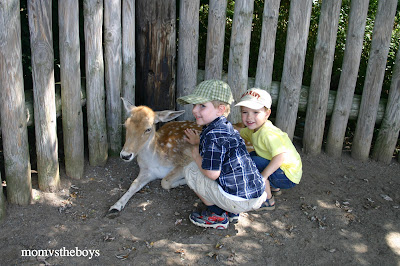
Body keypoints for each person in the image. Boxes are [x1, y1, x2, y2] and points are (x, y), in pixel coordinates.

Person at [177, 79, 267, 229]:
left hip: (239, 200)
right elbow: (220, 148)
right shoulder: (226, 127)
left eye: (202, 106)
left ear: (220, 109)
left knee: (191, 170)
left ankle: (217, 214)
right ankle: (232, 212)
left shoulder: (213, 136)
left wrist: (195, 154)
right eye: (194, 105)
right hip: (256, 193)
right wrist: (198, 141)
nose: (194, 110)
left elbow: (212, 174)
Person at [235, 88, 302, 210]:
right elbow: (239, 131)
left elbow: (280, 156)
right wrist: (224, 126)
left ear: (267, 114)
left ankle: (267, 200)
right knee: (253, 155)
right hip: (285, 171)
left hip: (288, 176)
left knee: (250, 162)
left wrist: (263, 176)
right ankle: (274, 187)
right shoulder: (254, 129)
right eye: (245, 112)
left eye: (255, 112)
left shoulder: (268, 133)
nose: (249, 117)